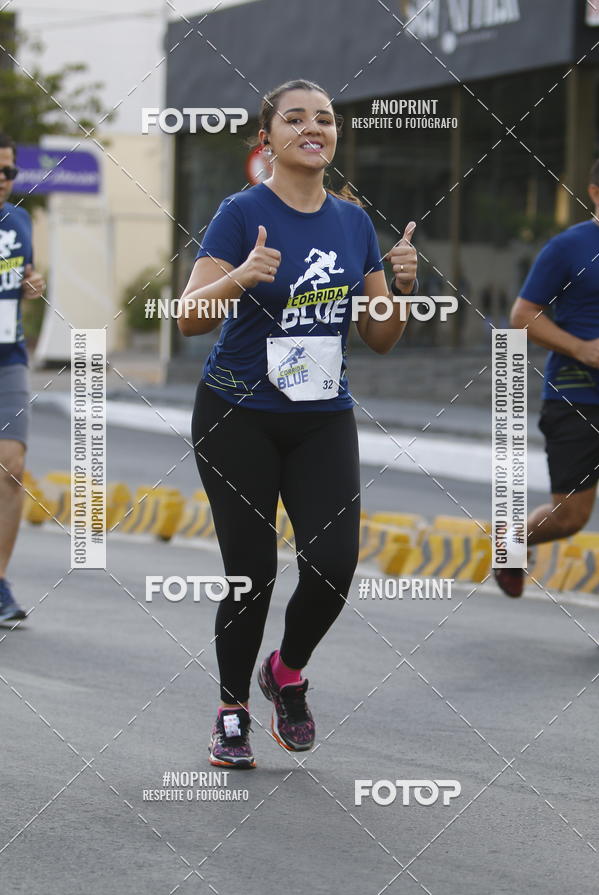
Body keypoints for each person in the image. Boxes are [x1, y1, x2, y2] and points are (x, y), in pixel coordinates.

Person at [179, 79, 418, 768]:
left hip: (321, 415)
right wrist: (243, 275)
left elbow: (381, 338)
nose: (313, 127)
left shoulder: (352, 223)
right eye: (296, 118)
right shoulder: (240, 212)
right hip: (236, 415)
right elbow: (190, 315)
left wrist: (400, 286)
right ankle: (231, 710)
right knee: (250, 573)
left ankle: (285, 670)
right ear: (269, 136)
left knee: (335, 566)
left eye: (325, 119)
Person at [494, 159, 599, 598]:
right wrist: (581, 348)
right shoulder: (567, 247)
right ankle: (511, 543)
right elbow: (522, 317)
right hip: (575, 396)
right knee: (571, 518)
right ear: (595, 192)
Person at [0, 133, 45, 625]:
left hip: (7, 356)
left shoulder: (21, 219)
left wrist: (33, 284)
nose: (4, 180)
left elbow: (26, 275)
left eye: (10, 172)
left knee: (11, 468)